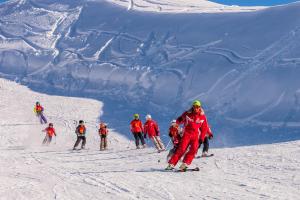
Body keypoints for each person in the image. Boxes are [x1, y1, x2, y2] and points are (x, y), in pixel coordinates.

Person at [166, 100, 208, 171]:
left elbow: (204, 128)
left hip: (195, 135)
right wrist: (176, 124)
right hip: (187, 134)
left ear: (200, 107)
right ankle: (171, 164)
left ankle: (185, 163)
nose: (196, 108)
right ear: (193, 107)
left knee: (194, 149)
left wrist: (202, 138)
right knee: (182, 149)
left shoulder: (202, 116)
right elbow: (180, 119)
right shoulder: (187, 113)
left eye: (197, 107)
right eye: (194, 106)